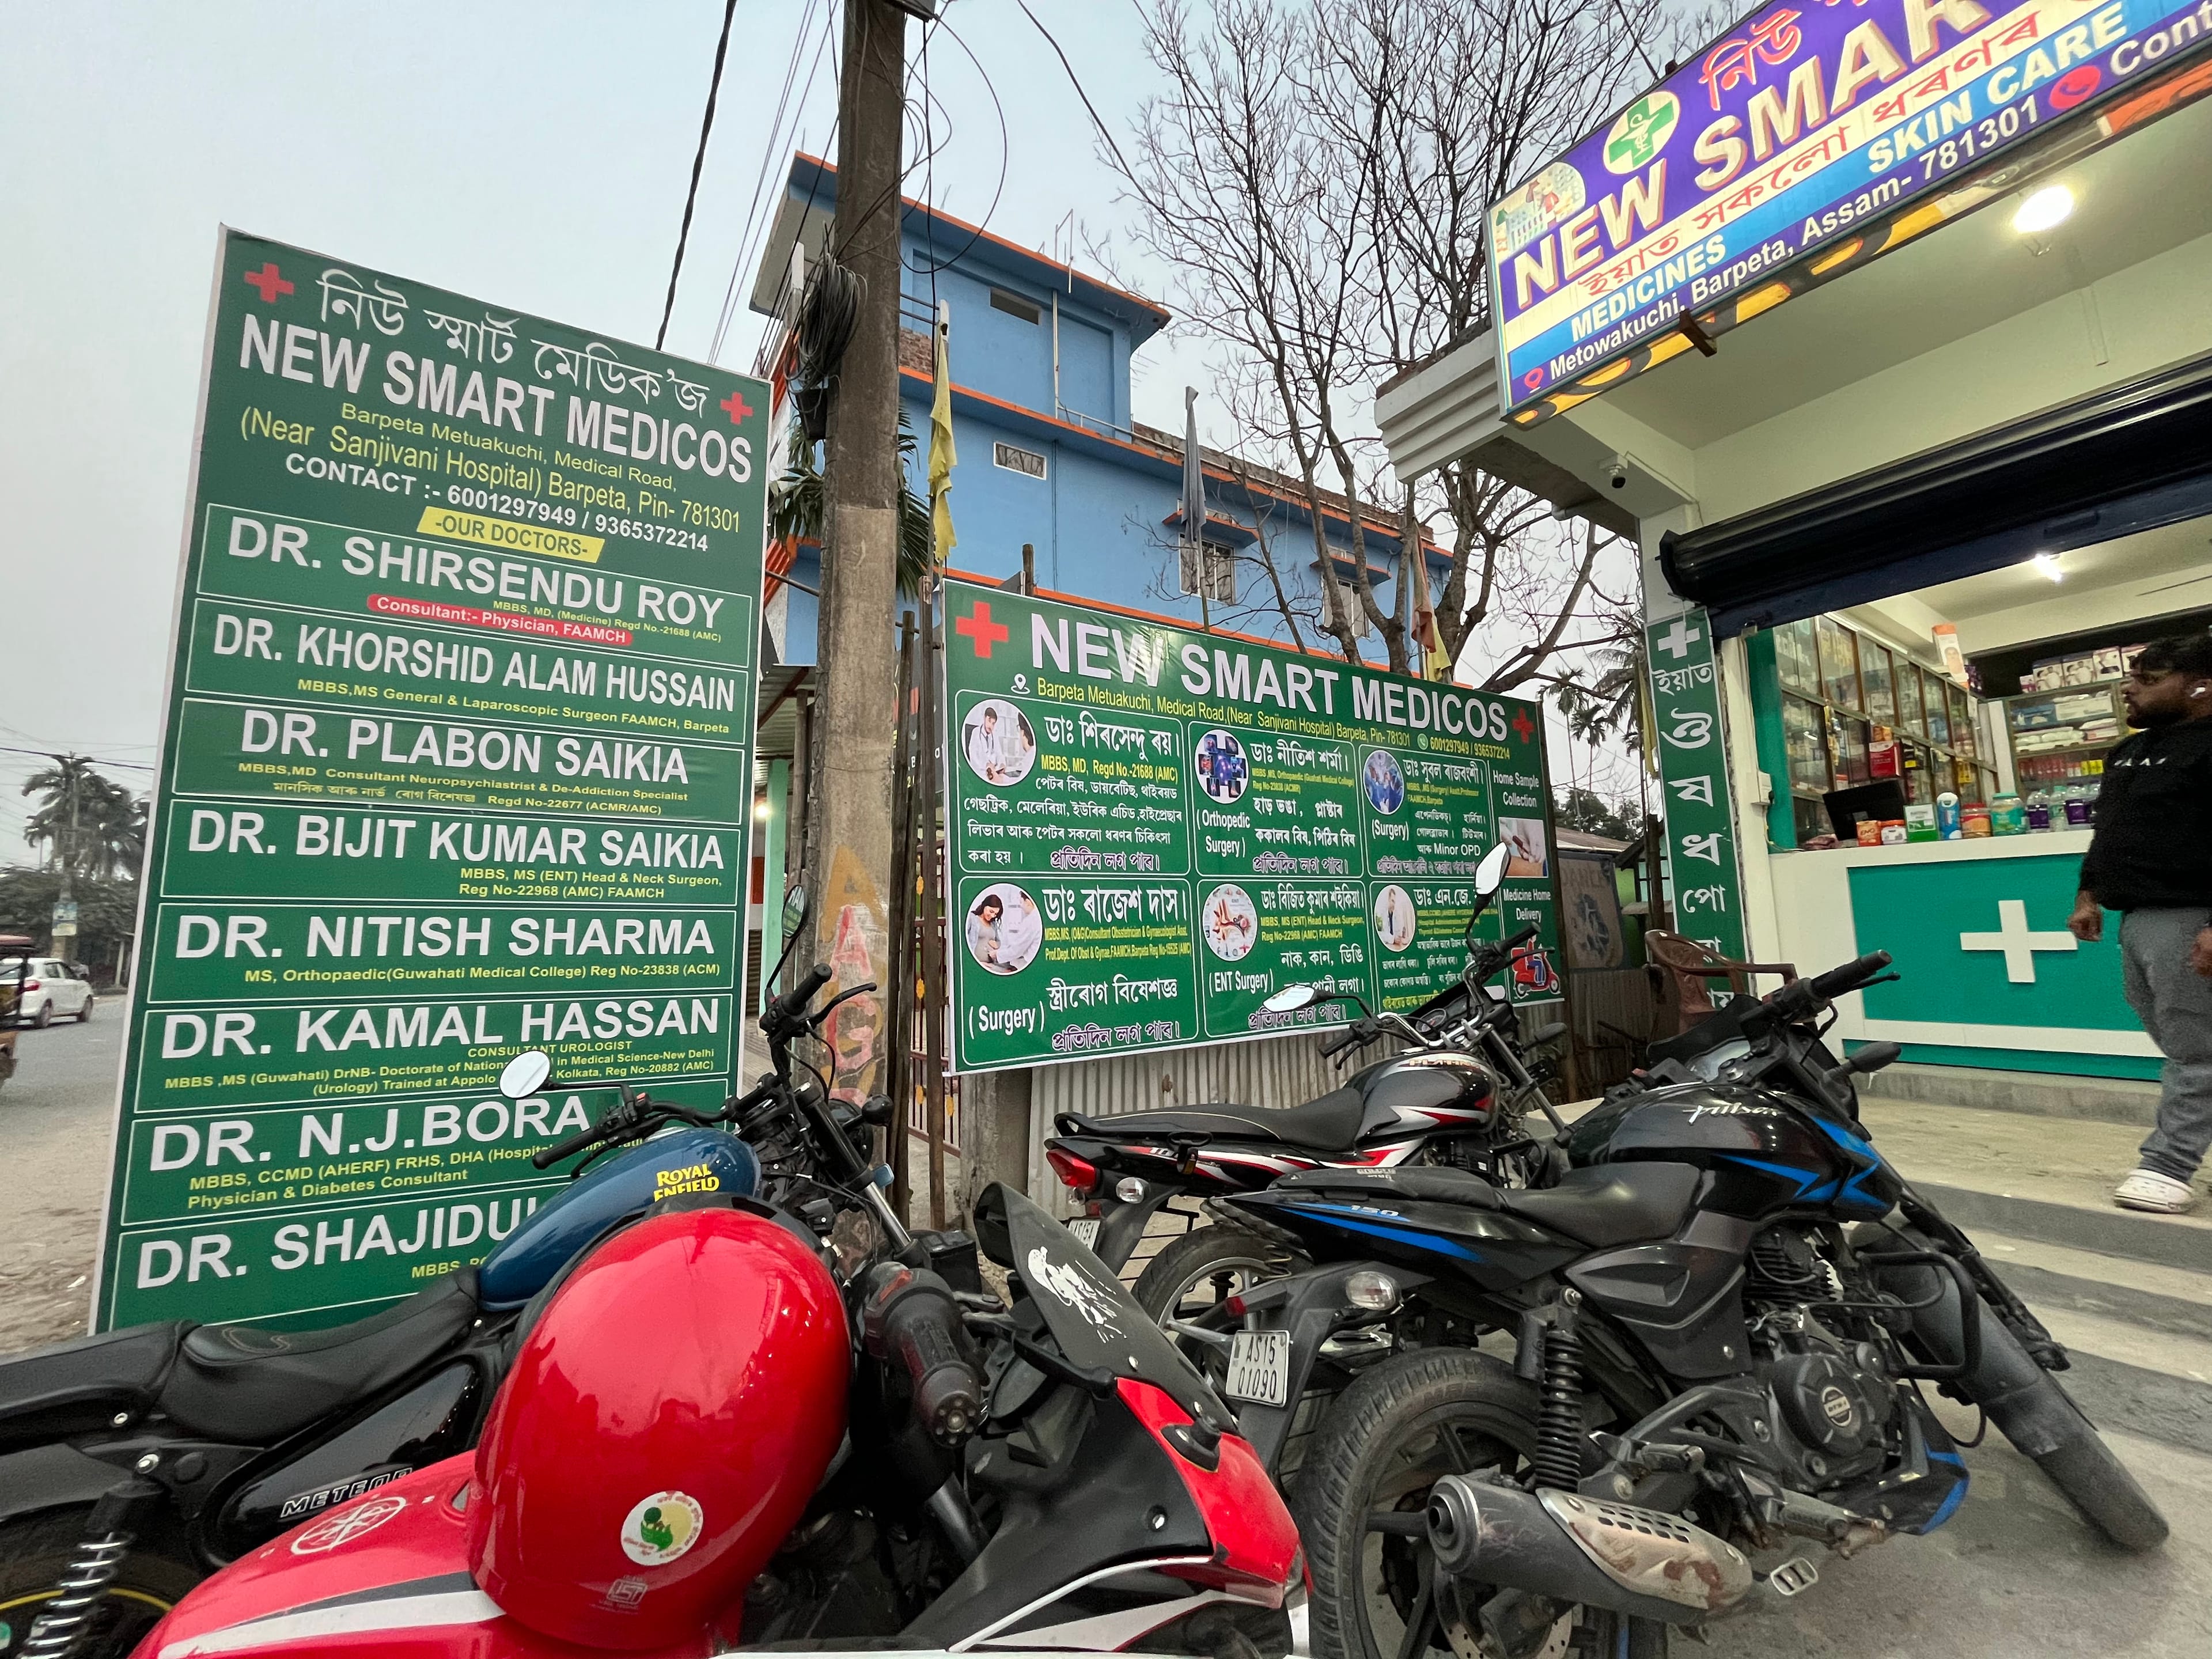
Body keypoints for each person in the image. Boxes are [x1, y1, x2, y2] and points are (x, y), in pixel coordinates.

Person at [2067, 632, 2212, 1214]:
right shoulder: (2127, 753)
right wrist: (2088, 895)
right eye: (2131, 678)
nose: (2129, 689)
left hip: (2192, 915)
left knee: (2195, 1050)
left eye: (2148, 681)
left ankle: (2169, 1165)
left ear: (2202, 685)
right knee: (2180, 1041)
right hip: (2138, 921)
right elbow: (2109, 831)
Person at [966, 893, 1005, 971]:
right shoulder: (972, 919)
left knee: (1010, 970)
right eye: (991, 911)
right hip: (977, 963)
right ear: (984, 905)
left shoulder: (993, 924)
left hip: (992, 963)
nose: (993, 916)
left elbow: (1000, 943)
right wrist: (977, 962)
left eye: (995, 914)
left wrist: (996, 945)